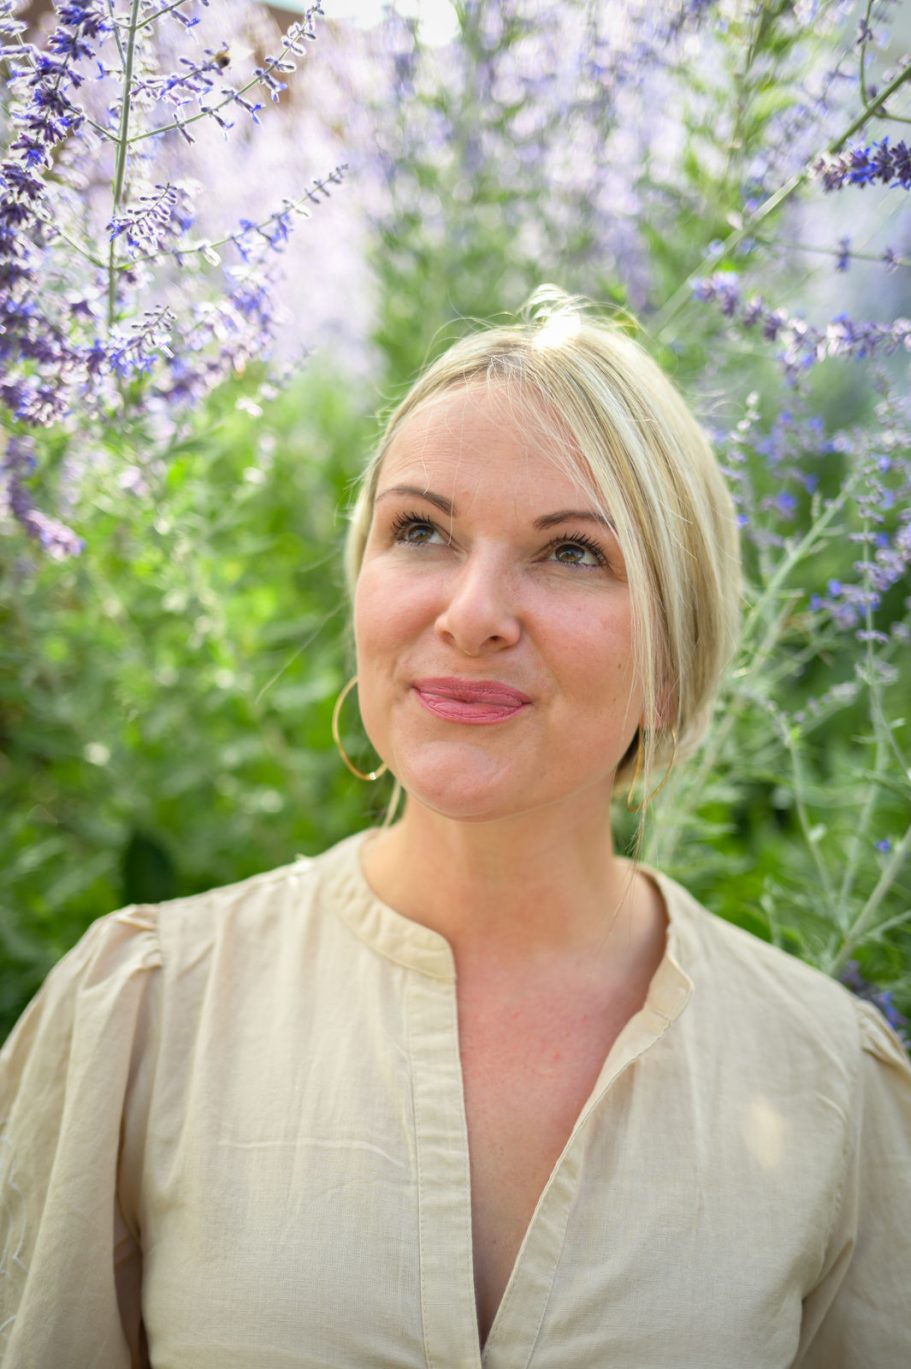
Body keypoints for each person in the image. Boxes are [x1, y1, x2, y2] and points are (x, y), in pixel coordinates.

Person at [1, 288, 910, 1369]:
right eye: (420, 531)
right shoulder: (147, 1017)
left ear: (670, 660)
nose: (471, 612)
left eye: (571, 551)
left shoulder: (824, 1079)